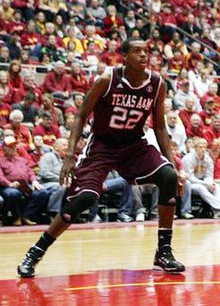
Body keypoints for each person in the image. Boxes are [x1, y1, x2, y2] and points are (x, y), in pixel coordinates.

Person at [17, 38, 185, 278]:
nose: (144, 56)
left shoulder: (157, 84)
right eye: (137, 51)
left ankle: (164, 251)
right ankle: (35, 252)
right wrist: (70, 156)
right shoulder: (107, 80)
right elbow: (81, 114)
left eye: (146, 51)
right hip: (102, 146)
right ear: (124, 56)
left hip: (134, 145)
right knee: (83, 198)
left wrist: (173, 163)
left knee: (168, 176)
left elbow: (159, 126)